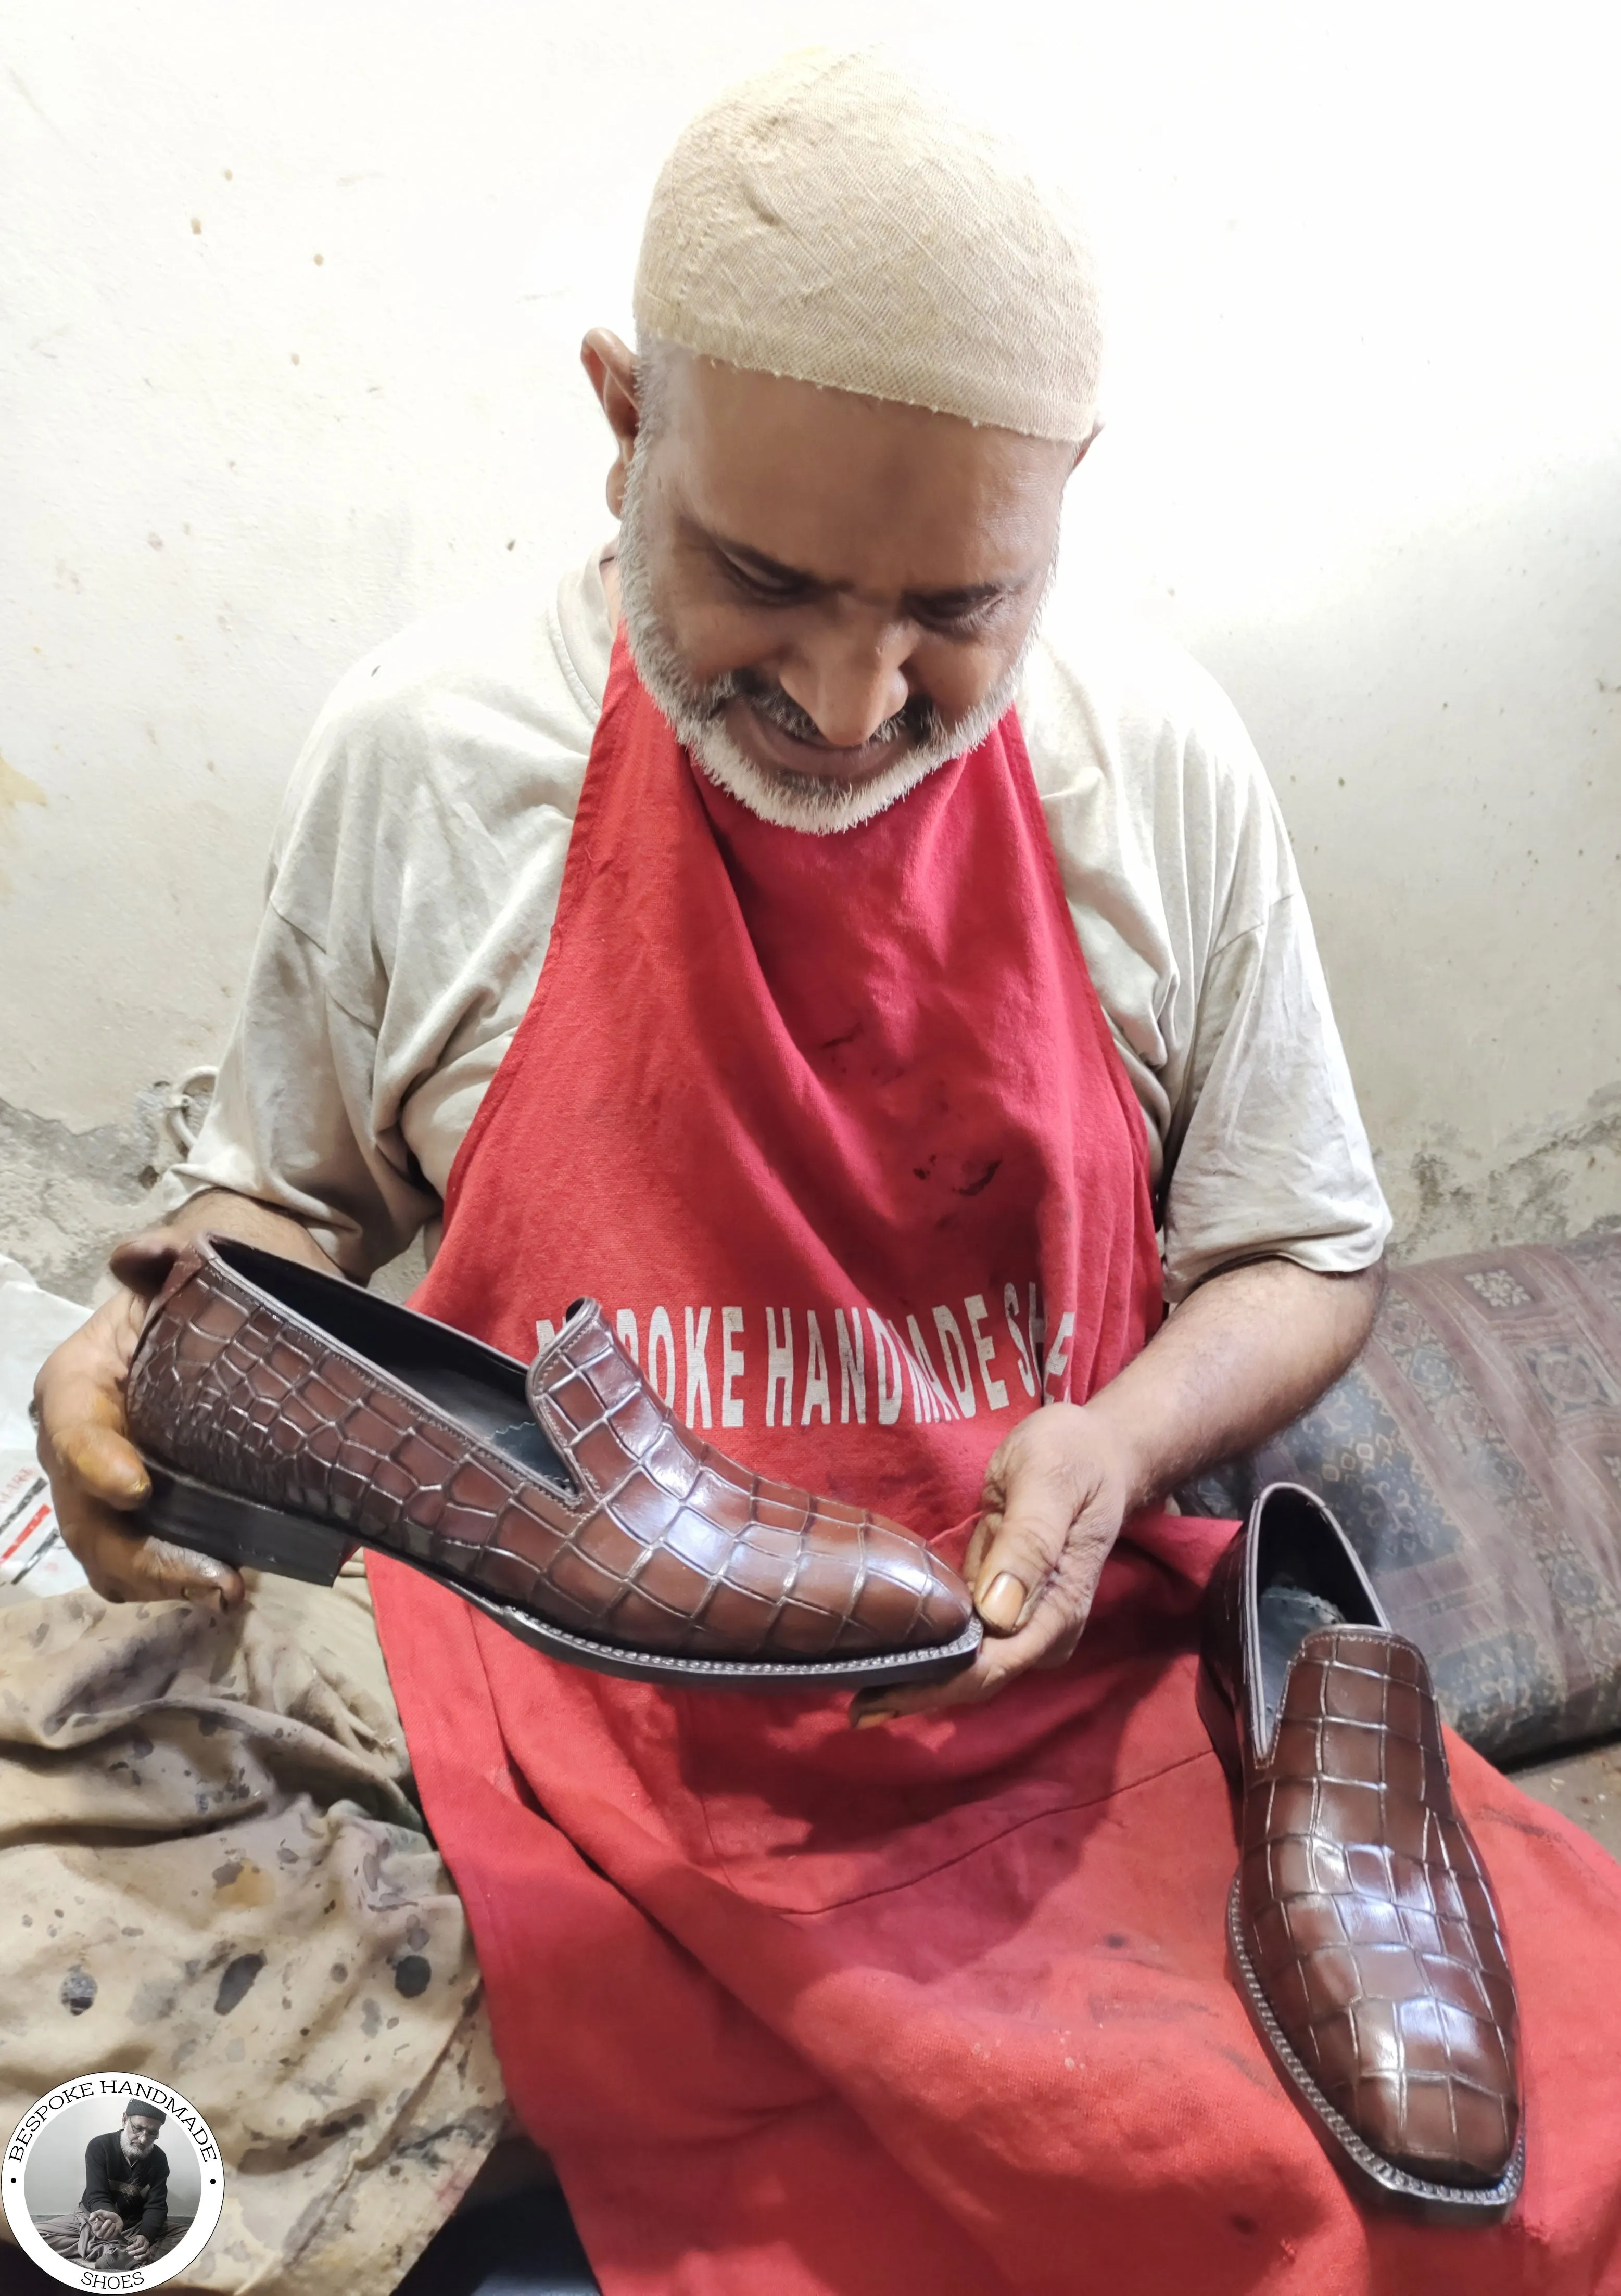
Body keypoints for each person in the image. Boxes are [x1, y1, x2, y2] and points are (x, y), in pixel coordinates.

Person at [20, 45, 1621, 2296]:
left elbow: (1297, 1253)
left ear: (1064, 504)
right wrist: (126, 1353)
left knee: (1529, 2170)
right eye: (762, 578)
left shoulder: (1146, 757)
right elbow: (268, 1221)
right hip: (569, 1702)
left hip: (1041, 1675)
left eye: (958, 610)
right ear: (618, 418)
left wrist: (1124, 1439)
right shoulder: (426, 751)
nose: (857, 698)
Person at [33, 2102, 173, 2271]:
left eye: (152, 2134)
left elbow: (156, 2206)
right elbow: (97, 2195)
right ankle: (114, 2253)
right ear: (124, 2120)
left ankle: (110, 2250)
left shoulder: (159, 2159)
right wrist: (107, 2219)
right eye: (137, 2129)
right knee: (29, 2236)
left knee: (192, 2237)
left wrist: (146, 2235)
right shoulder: (100, 2146)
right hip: (93, 2219)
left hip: (134, 2226)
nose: (143, 2140)